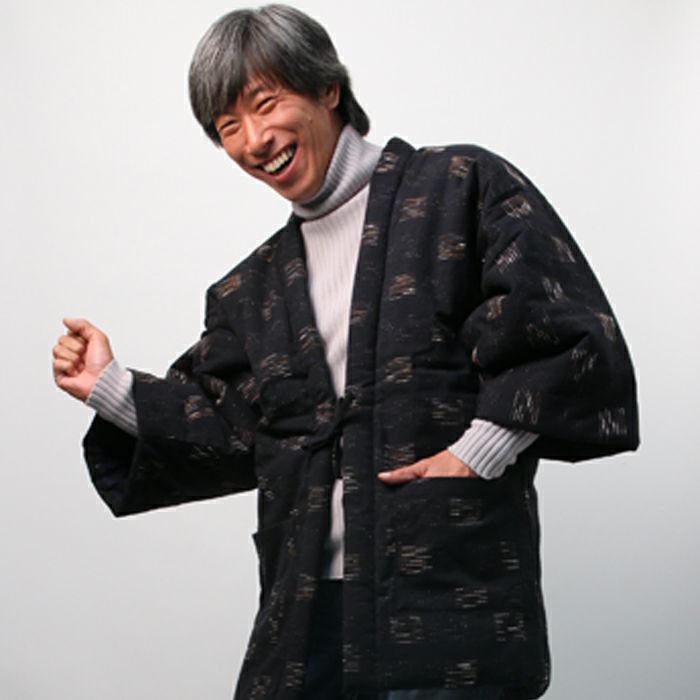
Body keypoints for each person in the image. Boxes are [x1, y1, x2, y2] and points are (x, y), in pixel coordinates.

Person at [52, 5, 639, 700]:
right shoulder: (251, 289)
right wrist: (112, 386)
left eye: (265, 104)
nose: (254, 140)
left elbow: (565, 334)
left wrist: (476, 454)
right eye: (228, 126)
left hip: (443, 589)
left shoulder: (458, 187)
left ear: (327, 87)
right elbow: (232, 427)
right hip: (305, 613)